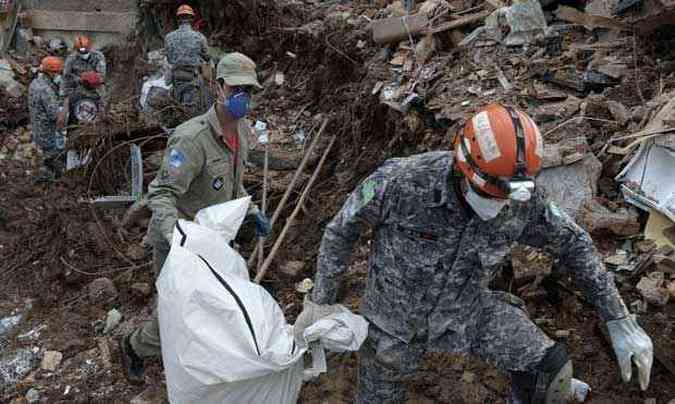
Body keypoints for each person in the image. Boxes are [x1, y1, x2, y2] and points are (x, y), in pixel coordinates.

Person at [312, 104, 654, 403]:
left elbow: (574, 243)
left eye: (507, 196)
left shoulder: (523, 201)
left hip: (467, 314)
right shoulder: (403, 182)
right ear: (465, 169)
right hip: (394, 327)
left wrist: (617, 317)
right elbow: (342, 229)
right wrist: (321, 303)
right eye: (490, 194)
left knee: (551, 373)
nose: (499, 206)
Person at [119, 52, 271, 384]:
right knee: (178, 312)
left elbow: (233, 182)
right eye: (237, 89)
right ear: (219, 87)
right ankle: (132, 346)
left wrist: (252, 211)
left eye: (250, 90)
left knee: (213, 305)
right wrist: (178, 239)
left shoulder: (241, 131)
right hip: (180, 239)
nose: (244, 97)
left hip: (213, 238)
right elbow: (160, 192)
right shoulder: (192, 139)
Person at [165, 4, 209, 115]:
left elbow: (169, 59)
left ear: (178, 19)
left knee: (177, 107)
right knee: (191, 110)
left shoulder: (169, 37)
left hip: (176, 78)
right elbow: (207, 57)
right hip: (192, 78)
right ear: (191, 19)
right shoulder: (199, 37)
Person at [28, 56, 66, 181]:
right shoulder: (45, 90)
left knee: (48, 156)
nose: (59, 75)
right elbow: (55, 115)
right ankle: (53, 181)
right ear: (49, 72)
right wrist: (64, 108)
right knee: (56, 158)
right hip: (48, 132)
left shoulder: (35, 83)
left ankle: (48, 174)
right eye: (57, 72)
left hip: (38, 128)